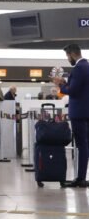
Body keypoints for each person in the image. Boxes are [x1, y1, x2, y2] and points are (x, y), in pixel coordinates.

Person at [53, 44, 89, 188]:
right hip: (86, 111)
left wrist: (60, 86)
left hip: (79, 113)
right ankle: (81, 176)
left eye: (67, 57)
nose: (68, 59)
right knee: (86, 144)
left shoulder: (78, 68)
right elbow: (80, 88)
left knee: (82, 145)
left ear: (72, 54)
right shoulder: (87, 66)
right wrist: (65, 83)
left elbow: (73, 91)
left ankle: (81, 177)